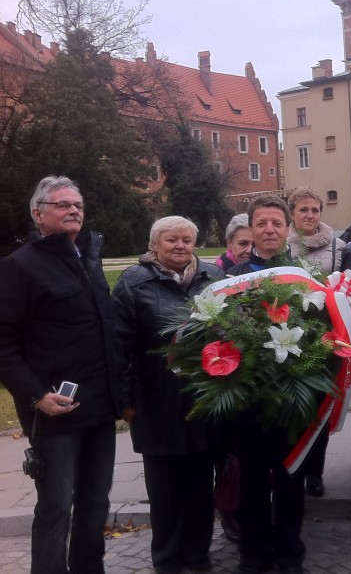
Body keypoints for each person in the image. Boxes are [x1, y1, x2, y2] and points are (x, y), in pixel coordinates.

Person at [0, 176, 126, 574]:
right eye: (62, 204)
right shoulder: (19, 266)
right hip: (55, 412)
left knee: (96, 503)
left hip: (99, 407)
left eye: (78, 205)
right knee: (56, 508)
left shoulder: (88, 258)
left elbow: (105, 331)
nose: (73, 210)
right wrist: (36, 395)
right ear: (38, 215)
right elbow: (3, 344)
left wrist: (121, 396)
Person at [112, 216, 223, 574]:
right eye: (172, 240)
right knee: (164, 486)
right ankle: (167, 556)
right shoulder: (134, 281)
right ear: (154, 245)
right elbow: (118, 346)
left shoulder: (212, 277)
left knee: (200, 482)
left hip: (203, 396)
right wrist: (125, 398)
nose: (180, 246)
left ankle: (197, 552)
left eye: (187, 240)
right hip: (155, 398)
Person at [225, 195, 308, 574]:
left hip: (294, 397)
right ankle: (255, 554)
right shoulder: (231, 279)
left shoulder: (304, 276)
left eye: (277, 223)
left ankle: (290, 553)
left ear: (288, 229)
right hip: (250, 398)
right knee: (253, 480)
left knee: (291, 478)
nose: (270, 230)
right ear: (251, 229)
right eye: (262, 223)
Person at [286, 188, 347, 498]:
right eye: (303, 210)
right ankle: (291, 468)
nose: (310, 215)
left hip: (325, 336)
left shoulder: (338, 246)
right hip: (288, 334)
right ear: (292, 214)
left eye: (315, 210)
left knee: (320, 407)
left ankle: (315, 472)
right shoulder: (283, 246)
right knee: (293, 406)